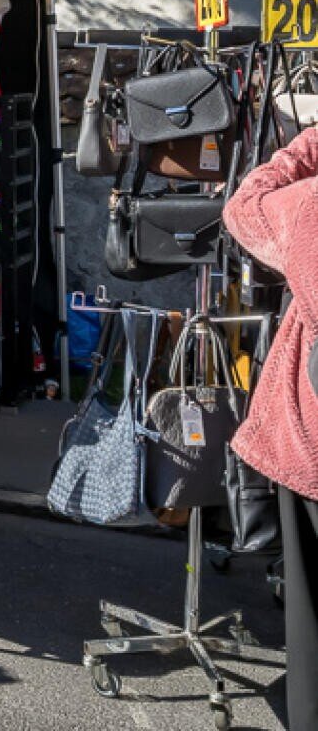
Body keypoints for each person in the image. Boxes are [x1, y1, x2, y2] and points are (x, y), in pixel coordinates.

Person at [222, 125, 318, 731]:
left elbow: (244, 205)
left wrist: (306, 147)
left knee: (309, 621)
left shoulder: (308, 206)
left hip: (311, 435)